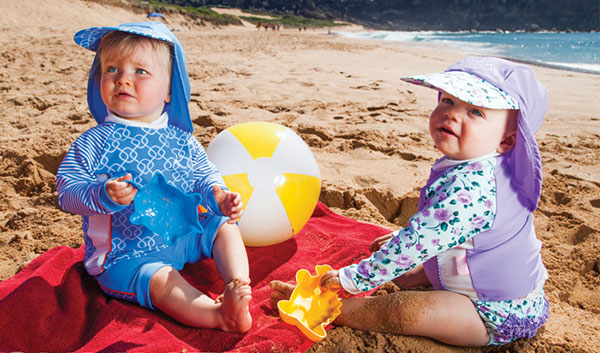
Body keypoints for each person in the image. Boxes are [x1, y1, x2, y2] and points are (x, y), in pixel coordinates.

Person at [271, 57, 549, 346]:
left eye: (475, 111)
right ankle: (423, 274)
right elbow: (451, 228)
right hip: (480, 270)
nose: (451, 114)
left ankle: (333, 310)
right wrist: (399, 240)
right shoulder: (484, 163)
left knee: (405, 310)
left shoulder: (474, 188)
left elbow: (420, 240)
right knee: (403, 270)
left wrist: (351, 279)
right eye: (447, 100)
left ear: (507, 142)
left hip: (491, 310)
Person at [56, 22, 252, 332]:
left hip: (181, 236)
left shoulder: (182, 139)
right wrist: (101, 194)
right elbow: (67, 191)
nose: (123, 79)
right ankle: (218, 315)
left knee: (222, 226)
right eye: (111, 69)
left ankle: (238, 284)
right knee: (161, 281)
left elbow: (202, 176)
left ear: (170, 89)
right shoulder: (95, 141)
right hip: (125, 255)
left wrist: (218, 195)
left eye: (140, 72)